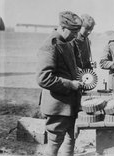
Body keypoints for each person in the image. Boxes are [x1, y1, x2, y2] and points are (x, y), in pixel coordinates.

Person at [36, 11, 83, 156]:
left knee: (71, 138)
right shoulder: (50, 45)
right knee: (55, 142)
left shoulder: (67, 42)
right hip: (58, 106)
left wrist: (78, 72)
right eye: (73, 32)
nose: (76, 36)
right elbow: (43, 78)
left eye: (77, 32)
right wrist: (71, 84)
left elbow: (67, 68)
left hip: (70, 104)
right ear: (62, 27)